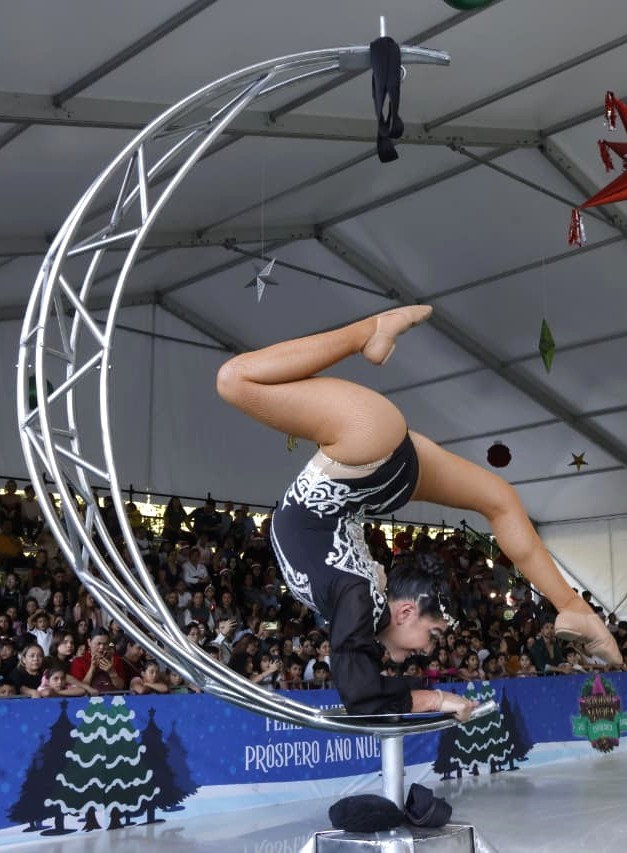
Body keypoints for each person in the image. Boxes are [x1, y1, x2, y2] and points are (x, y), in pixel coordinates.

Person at [216, 306, 621, 717]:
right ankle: (572, 606)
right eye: (434, 635)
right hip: (368, 469)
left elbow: (360, 693)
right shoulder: (358, 601)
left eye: (431, 634)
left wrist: (440, 700)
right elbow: (365, 687)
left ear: (406, 611)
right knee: (498, 500)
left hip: (366, 459)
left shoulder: (355, 601)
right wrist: (441, 700)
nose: (429, 647)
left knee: (234, 380)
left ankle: (367, 332)